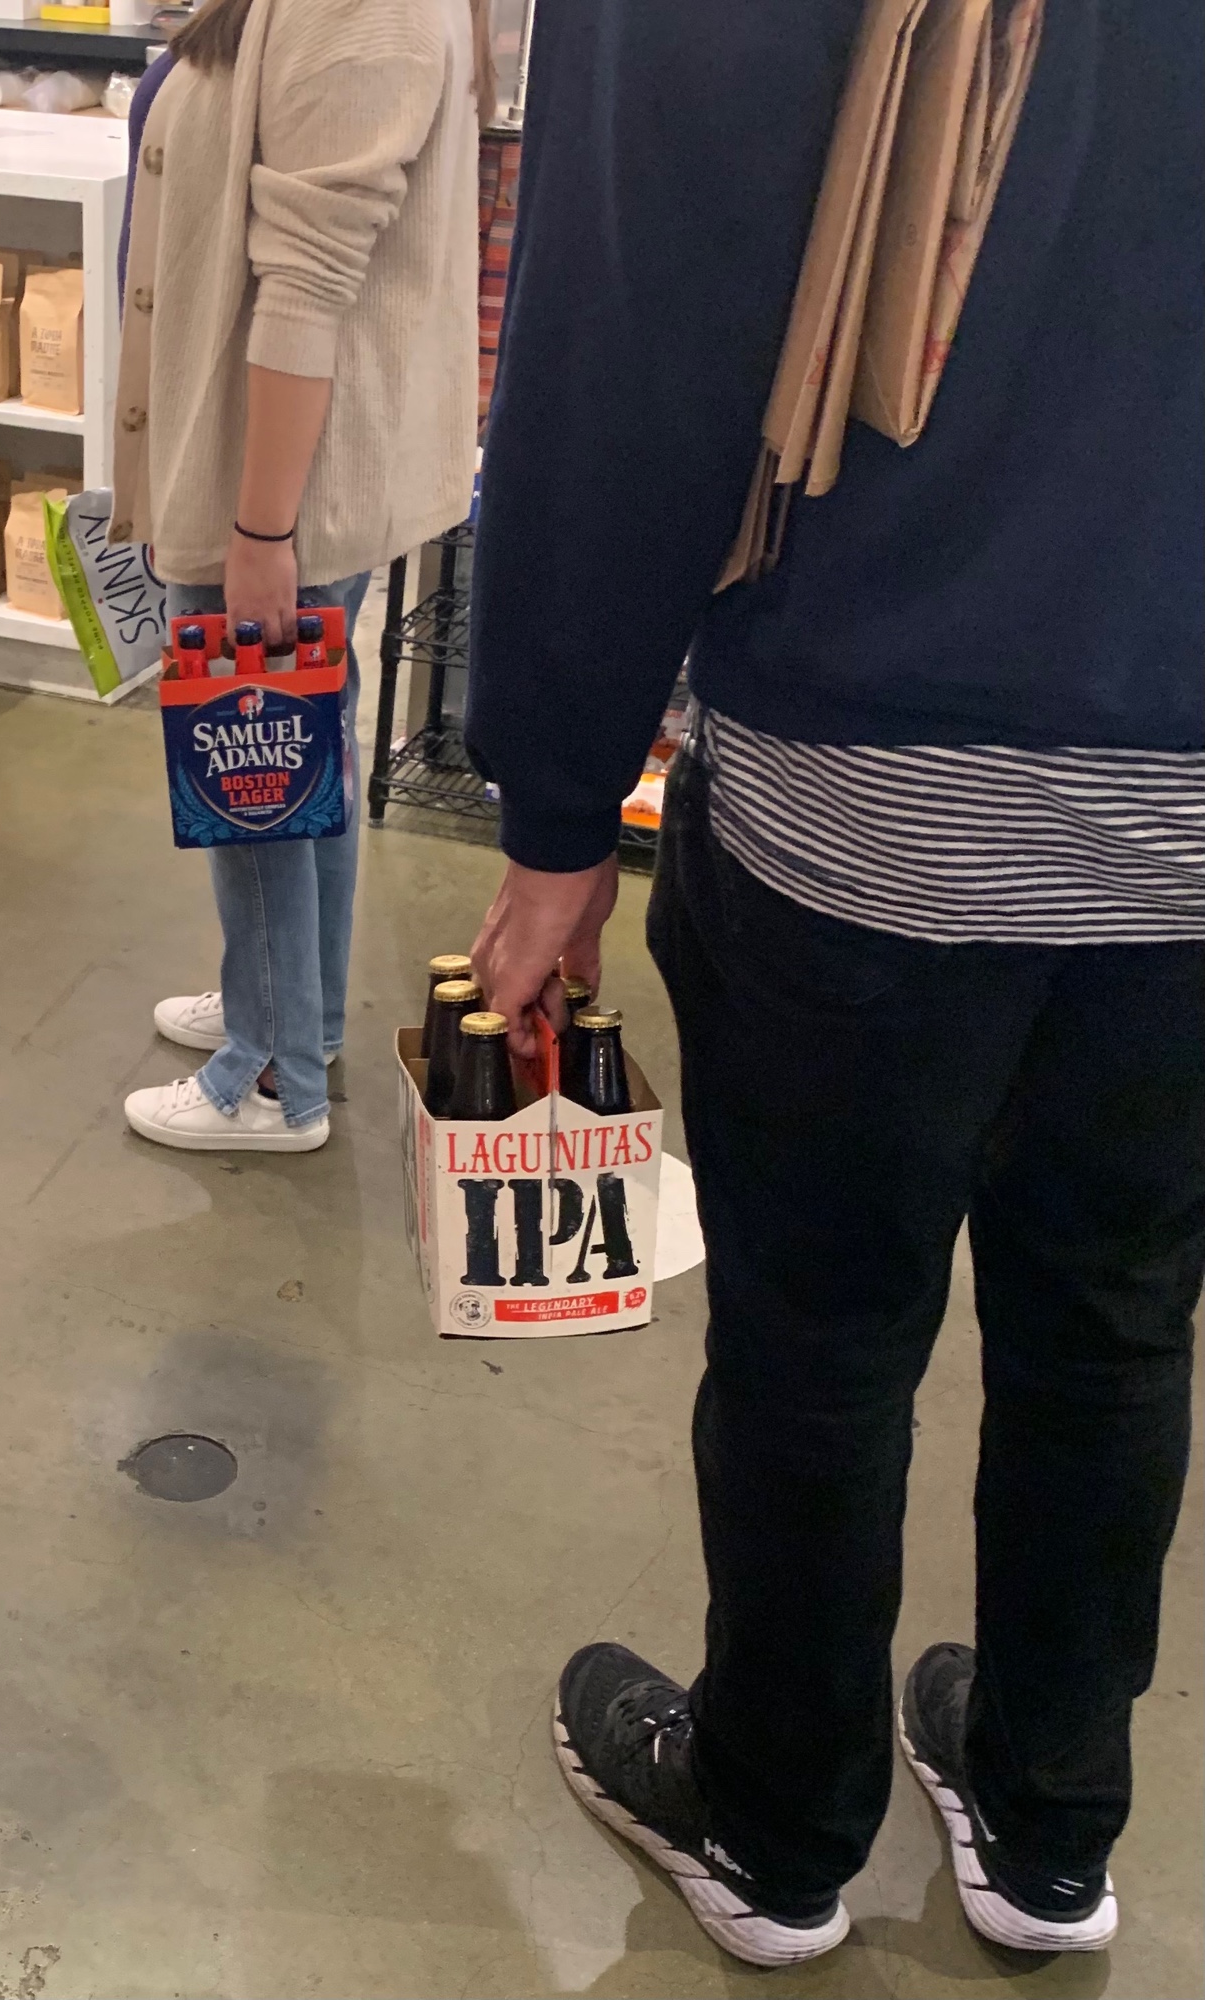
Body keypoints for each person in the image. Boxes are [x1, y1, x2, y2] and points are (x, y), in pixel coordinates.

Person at [466, 0, 1203, 1970]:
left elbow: (635, 321)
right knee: (1116, 1315)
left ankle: (778, 1825)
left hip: (877, 745)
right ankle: (1051, 1825)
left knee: (822, 1335)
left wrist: (558, 801)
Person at [112, 0, 487, 1152]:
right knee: (297, 760)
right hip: (271, 470)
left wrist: (260, 529)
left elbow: (311, 281)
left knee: (254, 772)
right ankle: (293, 1014)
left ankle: (271, 1079)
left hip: (277, 479)